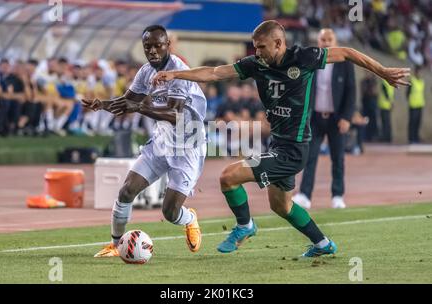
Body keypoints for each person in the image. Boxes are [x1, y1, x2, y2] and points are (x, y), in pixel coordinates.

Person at [153, 20, 410, 257]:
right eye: (255, 47)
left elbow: (347, 53)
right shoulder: (256, 64)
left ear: (279, 43)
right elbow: (215, 72)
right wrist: (176, 74)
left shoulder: (304, 57)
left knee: (228, 177)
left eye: (262, 47)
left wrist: (382, 71)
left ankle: (245, 226)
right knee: (282, 207)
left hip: (294, 150)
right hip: (277, 144)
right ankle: (323, 244)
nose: (257, 52)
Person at [82, 25, 206, 257]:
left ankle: (189, 218)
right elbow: (127, 101)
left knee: (170, 212)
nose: (152, 51)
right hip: (161, 142)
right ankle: (116, 245)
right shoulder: (146, 71)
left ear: (168, 45)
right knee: (127, 190)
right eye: (147, 46)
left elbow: (176, 115)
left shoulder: (179, 71)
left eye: (157, 45)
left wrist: (139, 107)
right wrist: (103, 105)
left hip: (188, 146)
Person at [293, 28, 356, 210]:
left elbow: (351, 92)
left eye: (329, 39)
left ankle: (337, 195)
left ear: (335, 41)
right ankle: (304, 195)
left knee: (338, 158)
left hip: (337, 119)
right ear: (318, 41)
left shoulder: (345, 62)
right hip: (315, 118)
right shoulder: (311, 62)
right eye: (323, 39)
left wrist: (346, 117)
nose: (326, 43)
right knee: (309, 157)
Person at [406, 66, 426, 144]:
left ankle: (416, 137)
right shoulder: (412, 80)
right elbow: (407, 93)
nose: (419, 73)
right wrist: (410, 101)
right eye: (418, 71)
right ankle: (411, 138)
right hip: (413, 105)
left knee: (418, 122)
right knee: (412, 122)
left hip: (420, 104)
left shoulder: (421, 81)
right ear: (415, 72)